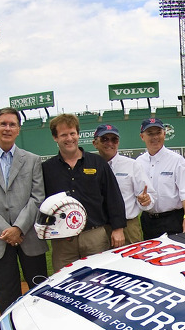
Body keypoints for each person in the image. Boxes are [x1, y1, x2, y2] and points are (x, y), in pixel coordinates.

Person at [0, 107, 48, 314]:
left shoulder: (32, 160)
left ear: (18, 129)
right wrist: (7, 231)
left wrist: (18, 228)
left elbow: (37, 197)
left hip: (29, 235)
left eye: (12, 124)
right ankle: (11, 328)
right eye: (3, 124)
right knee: (7, 292)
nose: (7, 128)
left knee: (38, 289)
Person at [42, 114, 126, 271]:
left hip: (94, 236)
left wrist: (118, 229)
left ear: (78, 134)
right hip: (63, 240)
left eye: (72, 133)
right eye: (64, 135)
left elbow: (113, 196)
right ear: (55, 137)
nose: (69, 138)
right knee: (66, 280)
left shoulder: (97, 163)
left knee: (99, 279)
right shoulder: (47, 168)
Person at [134, 118, 185, 239]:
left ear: (164, 134)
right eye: (150, 133)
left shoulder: (177, 160)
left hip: (172, 220)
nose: (155, 137)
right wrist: (142, 199)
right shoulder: (139, 162)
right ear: (142, 137)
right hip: (148, 220)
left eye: (158, 133)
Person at [91, 124, 154, 244]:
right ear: (95, 143)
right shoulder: (90, 167)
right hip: (99, 228)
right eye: (104, 139)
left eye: (114, 139)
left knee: (133, 256)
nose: (110, 143)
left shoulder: (132, 165)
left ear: (118, 142)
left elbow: (149, 195)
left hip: (128, 226)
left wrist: (146, 200)